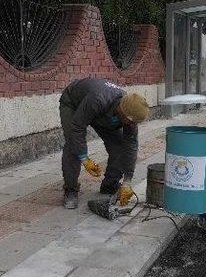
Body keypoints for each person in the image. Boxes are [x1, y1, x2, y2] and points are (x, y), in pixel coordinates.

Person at [59, 78, 150, 209]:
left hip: (102, 113)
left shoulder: (130, 111)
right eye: (130, 122)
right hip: (73, 103)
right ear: (123, 112)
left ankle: (110, 185)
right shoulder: (98, 99)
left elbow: (131, 146)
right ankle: (71, 190)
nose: (132, 125)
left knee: (119, 147)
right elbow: (77, 127)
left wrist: (127, 181)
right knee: (73, 145)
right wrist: (84, 158)